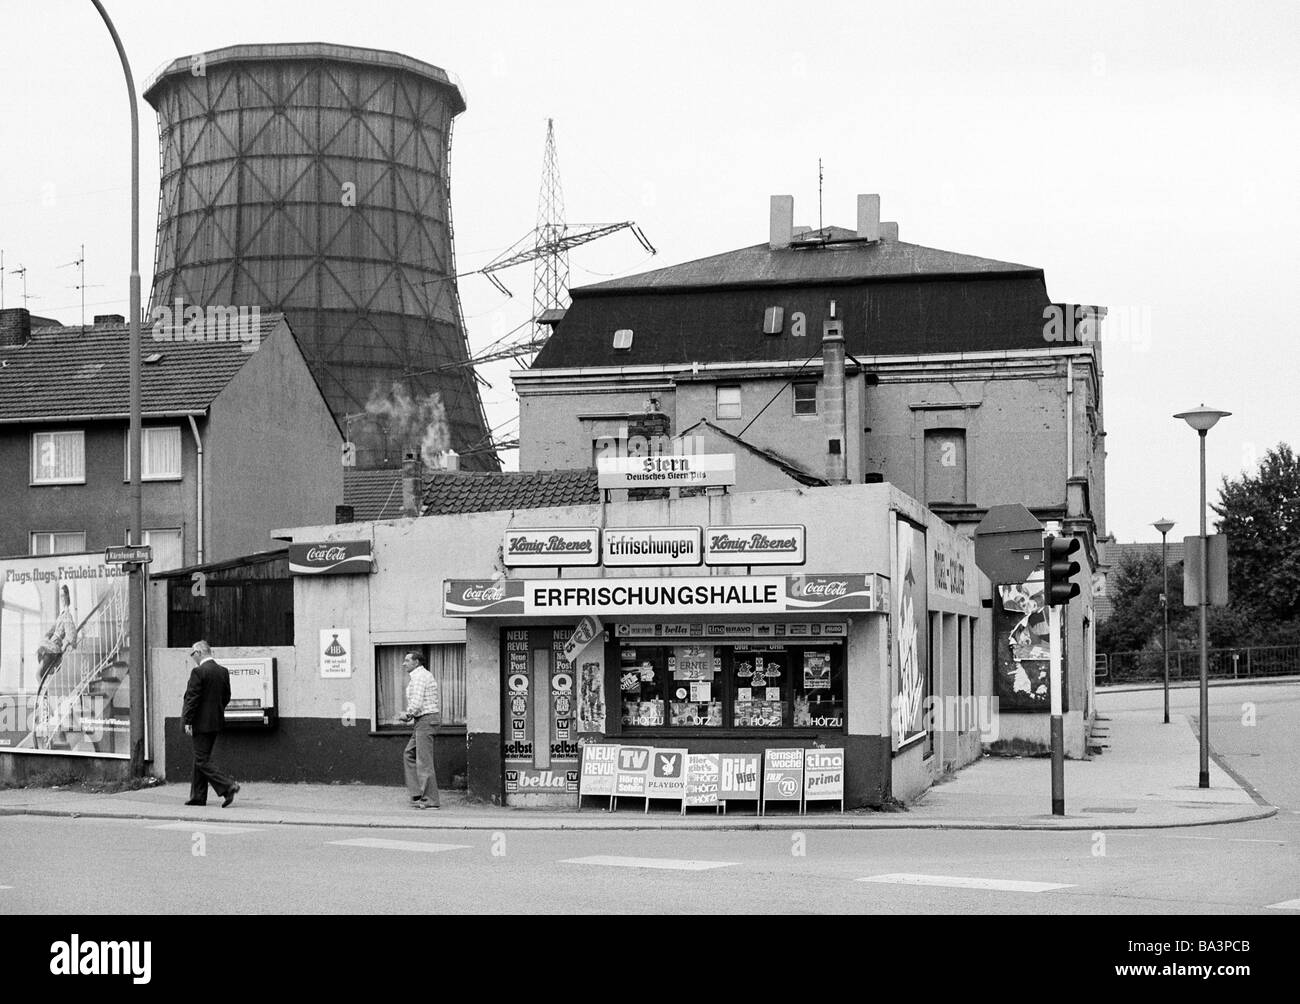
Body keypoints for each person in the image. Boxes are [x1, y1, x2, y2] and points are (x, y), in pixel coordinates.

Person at [182, 640, 240, 807]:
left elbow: (192, 699)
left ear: (199, 653)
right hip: (215, 722)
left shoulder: (198, 672)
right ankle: (198, 797)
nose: (192, 657)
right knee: (200, 757)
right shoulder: (222, 671)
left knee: (201, 759)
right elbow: (226, 696)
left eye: (192, 654)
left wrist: (187, 720)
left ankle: (228, 786)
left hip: (199, 723)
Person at [398, 650, 441, 809]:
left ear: (416, 662)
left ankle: (430, 800)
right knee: (409, 753)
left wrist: (407, 714)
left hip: (426, 720)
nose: (404, 663)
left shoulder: (420, 677)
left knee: (424, 761)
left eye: (407, 660)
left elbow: (416, 702)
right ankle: (417, 794)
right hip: (423, 721)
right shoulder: (419, 676)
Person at [35, 585, 77, 698]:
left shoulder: (67, 615)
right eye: (61, 596)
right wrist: (47, 636)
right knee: (41, 675)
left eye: (64, 595)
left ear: (68, 597)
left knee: (38, 675)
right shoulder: (62, 614)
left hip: (54, 648)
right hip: (50, 644)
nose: (62, 598)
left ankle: (45, 699)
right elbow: (53, 629)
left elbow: (71, 635)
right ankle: (45, 700)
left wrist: (64, 646)